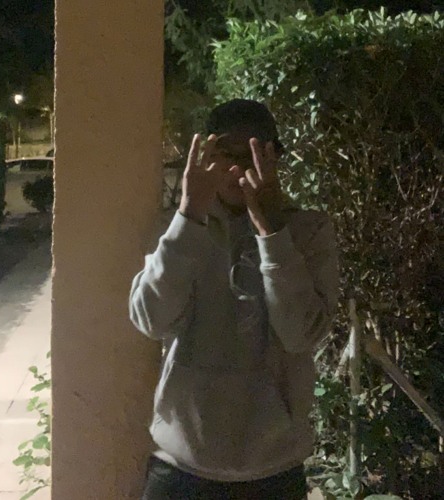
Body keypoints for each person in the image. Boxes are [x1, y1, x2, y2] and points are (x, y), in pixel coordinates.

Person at [129, 99, 339, 499]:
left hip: (273, 471)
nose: (237, 170)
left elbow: (300, 335)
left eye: (253, 155)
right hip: (181, 467)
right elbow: (150, 319)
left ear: (274, 158)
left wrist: (271, 232)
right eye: (226, 153)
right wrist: (188, 215)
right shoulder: (177, 228)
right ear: (206, 155)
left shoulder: (309, 231)